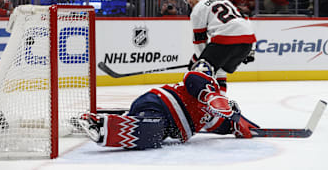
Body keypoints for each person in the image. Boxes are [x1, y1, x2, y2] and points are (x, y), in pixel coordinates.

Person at [79, 61, 259, 149]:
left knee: (156, 135)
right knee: (152, 129)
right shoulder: (196, 82)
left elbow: (222, 124)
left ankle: (106, 121)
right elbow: (195, 80)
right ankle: (101, 127)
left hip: (168, 126)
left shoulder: (212, 115)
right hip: (160, 104)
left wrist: (237, 122)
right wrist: (212, 96)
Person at [184, 0, 256, 95]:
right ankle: (221, 102)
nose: (189, 1)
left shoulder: (198, 9)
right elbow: (243, 20)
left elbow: (199, 41)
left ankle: (208, 105)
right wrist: (251, 50)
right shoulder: (223, 0)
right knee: (220, 68)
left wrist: (199, 61)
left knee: (200, 73)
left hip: (226, 40)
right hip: (247, 43)